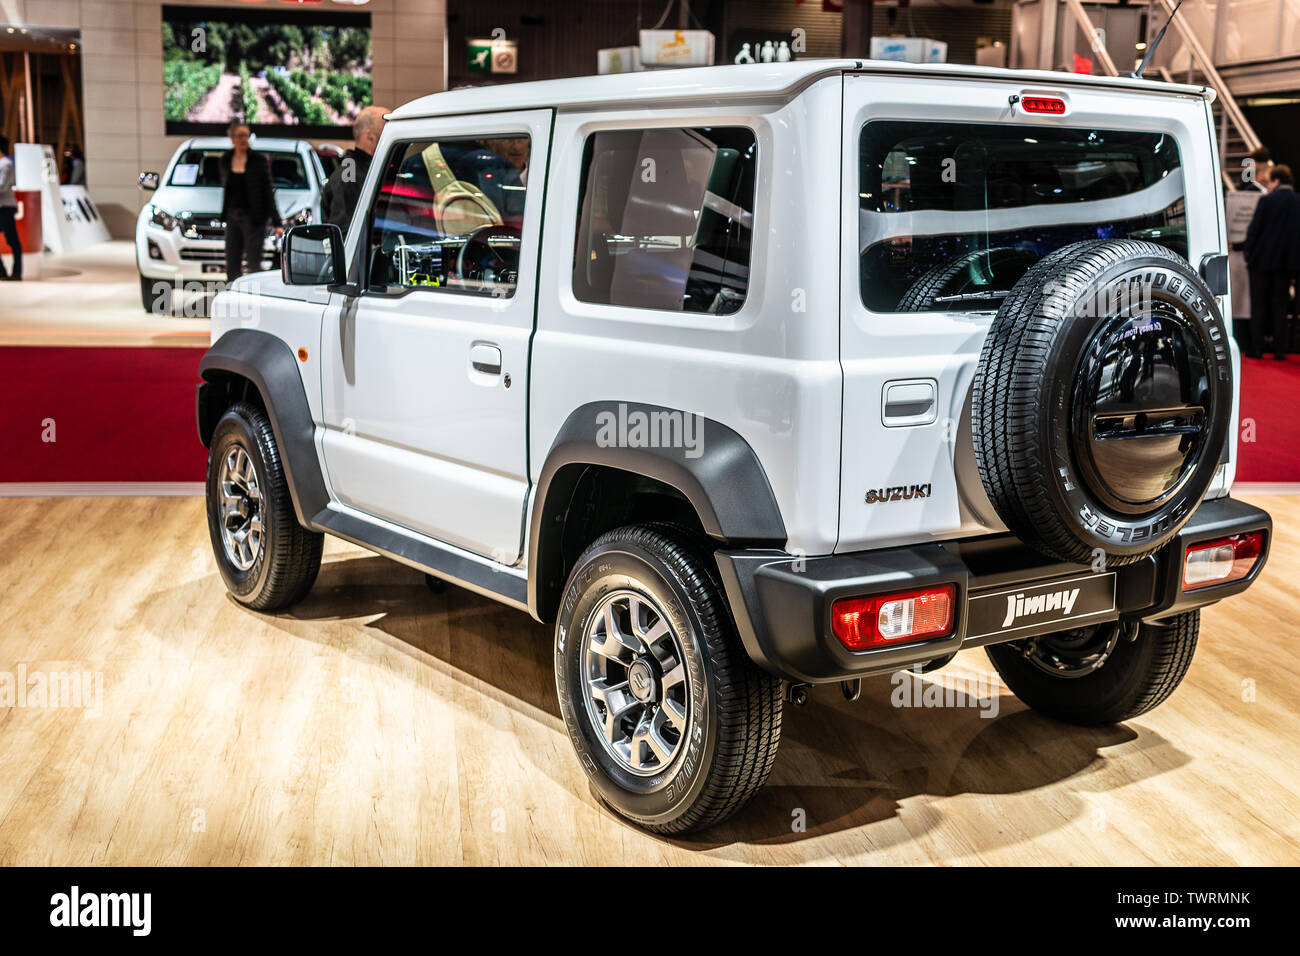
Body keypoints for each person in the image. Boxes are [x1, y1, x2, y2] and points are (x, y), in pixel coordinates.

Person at [1243, 164, 1300, 360]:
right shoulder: (1297, 202)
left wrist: (1249, 255)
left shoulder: (1266, 201)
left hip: (1261, 261)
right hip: (1287, 264)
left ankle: (1257, 348)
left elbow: (1254, 230)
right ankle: (1279, 349)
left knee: (1258, 305)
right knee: (1280, 306)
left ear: (1275, 181)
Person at [219, 121, 278, 281]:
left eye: (246, 135)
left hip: (254, 219)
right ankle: (232, 295)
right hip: (233, 217)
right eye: (240, 136)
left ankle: (254, 297)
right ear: (232, 138)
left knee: (254, 263)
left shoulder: (258, 160)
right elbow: (227, 190)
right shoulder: (225, 159)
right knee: (232, 261)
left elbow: (268, 190)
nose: (243, 139)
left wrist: (276, 222)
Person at [322, 106, 388, 234]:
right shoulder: (349, 176)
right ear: (369, 136)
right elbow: (344, 232)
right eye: (386, 130)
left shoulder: (365, 169)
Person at [0, 134, 21, 282]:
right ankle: (1, 272)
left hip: (6, 207)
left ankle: (17, 272)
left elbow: (2, 186)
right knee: (12, 240)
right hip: (1, 207)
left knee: (12, 240)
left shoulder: (6, 164)